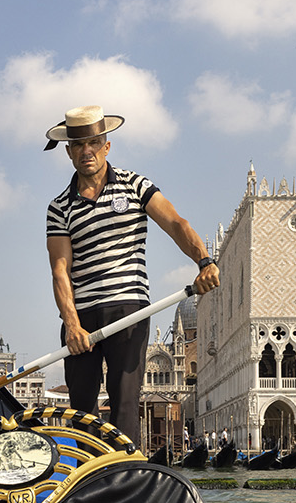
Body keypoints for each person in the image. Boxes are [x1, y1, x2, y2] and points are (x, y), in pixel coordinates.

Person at [45, 105, 219, 442]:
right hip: (81, 315)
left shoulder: (135, 185)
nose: (87, 151)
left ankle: (126, 479)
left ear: (106, 146)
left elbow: (176, 224)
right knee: (81, 407)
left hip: (129, 308)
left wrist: (204, 261)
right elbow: (60, 269)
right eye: (79, 144)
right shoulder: (59, 207)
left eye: (94, 142)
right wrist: (72, 325)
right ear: (69, 152)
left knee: (125, 402)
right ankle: (87, 479)